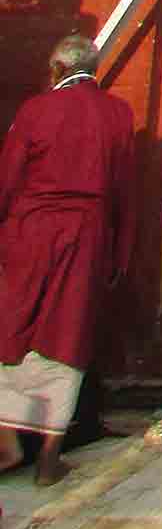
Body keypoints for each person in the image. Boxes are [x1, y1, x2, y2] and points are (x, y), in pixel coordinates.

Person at [0, 30, 135, 486]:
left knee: (13, 328)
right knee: (67, 337)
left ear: (57, 69)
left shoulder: (37, 110)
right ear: (92, 70)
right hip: (88, 235)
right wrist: (121, 252)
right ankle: (49, 458)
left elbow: (8, 175)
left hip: (31, 231)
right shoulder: (118, 113)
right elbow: (124, 192)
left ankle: (8, 443)